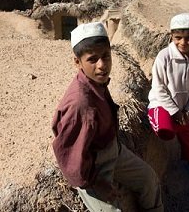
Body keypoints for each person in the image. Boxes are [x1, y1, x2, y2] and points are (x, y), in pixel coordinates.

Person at [52, 22, 163, 212]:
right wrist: (96, 182)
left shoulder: (96, 82)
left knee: (149, 179)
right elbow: (70, 157)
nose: (102, 65)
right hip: (92, 166)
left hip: (113, 150)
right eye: (92, 59)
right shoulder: (79, 105)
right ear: (77, 62)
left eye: (106, 56)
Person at [147, 13, 189, 186]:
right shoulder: (164, 57)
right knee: (166, 132)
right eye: (178, 38)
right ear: (171, 37)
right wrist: (174, 111)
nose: (183, 42)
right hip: (162, 104)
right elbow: (158, 87)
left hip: (184, 108)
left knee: (186, 137)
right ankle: (152, 115)